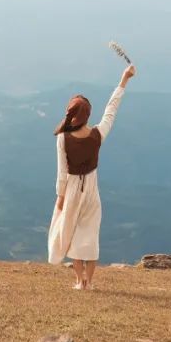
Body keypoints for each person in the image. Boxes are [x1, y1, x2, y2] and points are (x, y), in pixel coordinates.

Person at [47, 63, 135, 289]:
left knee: (73, 234)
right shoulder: (97, 135)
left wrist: (61, 196)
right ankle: (90, 281)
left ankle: (79, 281)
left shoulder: (63, 138)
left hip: (73, 190)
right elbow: (111, 110)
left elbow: (62, 172)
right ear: (87, 116)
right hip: (92, 190)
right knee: (90, 234)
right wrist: (124, 79)